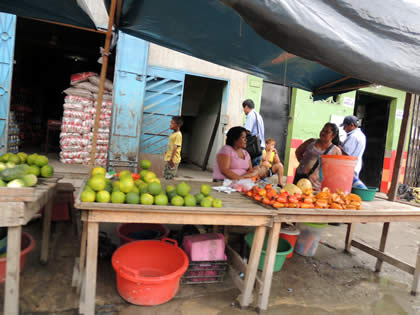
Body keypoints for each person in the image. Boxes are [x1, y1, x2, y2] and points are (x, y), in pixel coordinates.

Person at [294, 123, 342, 191]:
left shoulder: (336, 151)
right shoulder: (311, 142)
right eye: (323, 130)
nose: (323, 133)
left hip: (317, 183)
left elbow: (336, 170)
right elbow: (298, 152)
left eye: (327, 132)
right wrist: (304, 165)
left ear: (333, 135)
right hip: (300, 177)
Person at [341, 115, 367, 188]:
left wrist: (338, 147)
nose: (344, 129)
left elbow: (346, 154)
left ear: (352, 125)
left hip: (349, 167)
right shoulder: (361, 135)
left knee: (345, 189)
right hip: (355, 165)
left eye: (345, 126)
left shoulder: (353, 137)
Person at [242, 99, 265, 166]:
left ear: (246, 107)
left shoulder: (251, 115)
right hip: (259, 148)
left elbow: (247, 131)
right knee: (255, 173)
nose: (244, 111)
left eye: (243, 108)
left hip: (253, 148)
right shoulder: (258, 115)